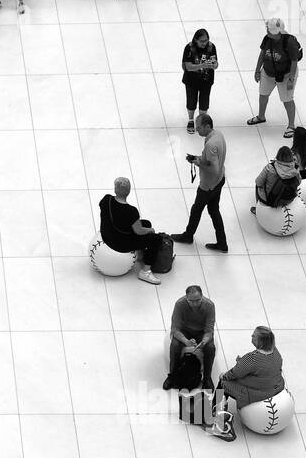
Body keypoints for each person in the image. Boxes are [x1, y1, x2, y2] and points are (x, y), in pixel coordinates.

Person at [207, 326, 285, 442]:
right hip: (276, 386)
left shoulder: (252, 358)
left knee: (223, 383)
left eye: (254, 336)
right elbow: (262, 369)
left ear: (260, 341)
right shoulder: (275, 352)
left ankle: (217, 416)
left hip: (258, 393)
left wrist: (223, 375)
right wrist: (242, 363)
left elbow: (234, 373)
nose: (251, 337)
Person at [171, 112, 228, 252]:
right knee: (214, 210)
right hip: (219, 180)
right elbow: (213, 161)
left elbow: (212, 169)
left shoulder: (210, 144)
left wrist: (198, 163)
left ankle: (188, 236)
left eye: (199, 128)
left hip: (208, 185)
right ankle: (222, 243)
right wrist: (197, 158)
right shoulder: (218, 135)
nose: (196, 130)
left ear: (207, 126)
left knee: (196, 210)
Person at [98, 177, 165, 284]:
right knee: (155, 238)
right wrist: (150, 230)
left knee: (146, 223)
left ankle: (142, 254)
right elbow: (138, 231)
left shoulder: (106, 199)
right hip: (119, 244)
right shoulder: (131, 211)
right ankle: (145, 272)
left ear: (115, 189)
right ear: (129, 191)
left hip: (106, 235)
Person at [164, 286, 216, 389]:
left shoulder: (209, 306)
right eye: (191, 301)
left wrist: (204, 341)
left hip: (201, 332)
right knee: (175, 346)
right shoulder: (180, 304)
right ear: (186, 298)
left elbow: (209, 329)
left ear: (202, 296)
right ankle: (172, 376)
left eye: (198, 300)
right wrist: (186, 341)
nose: (195, 304)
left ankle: (207, 378)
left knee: (210, 348)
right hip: (184, 331)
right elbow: (175, 328)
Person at [180, 28, 217, 132]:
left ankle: (202, 122)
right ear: (196, 40)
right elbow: (188, 66)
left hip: (206, 80)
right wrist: (202, 65)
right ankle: (191, 120)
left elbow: (215, 62)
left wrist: (214, 65)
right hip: (191, 80)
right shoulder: (189, 48)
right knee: (191, 102)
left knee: (204, 102)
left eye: (206, 40)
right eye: (202, 41)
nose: (204, 43)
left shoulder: (211, 47)